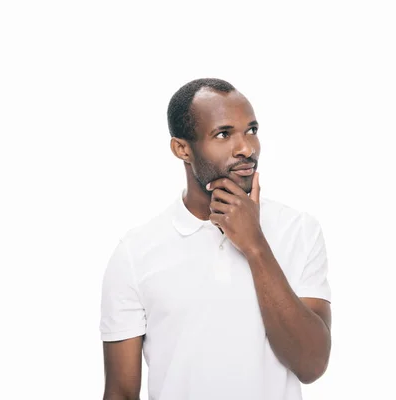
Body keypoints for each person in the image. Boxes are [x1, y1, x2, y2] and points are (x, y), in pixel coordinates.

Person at [100, 78, 332, 400]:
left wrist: (255, 245)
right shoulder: (135, 252)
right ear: (182, 149)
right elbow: (121, 392)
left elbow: (312, 364)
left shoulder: (299, 230)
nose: (247, 148)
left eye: (251, 130)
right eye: (224, 134)